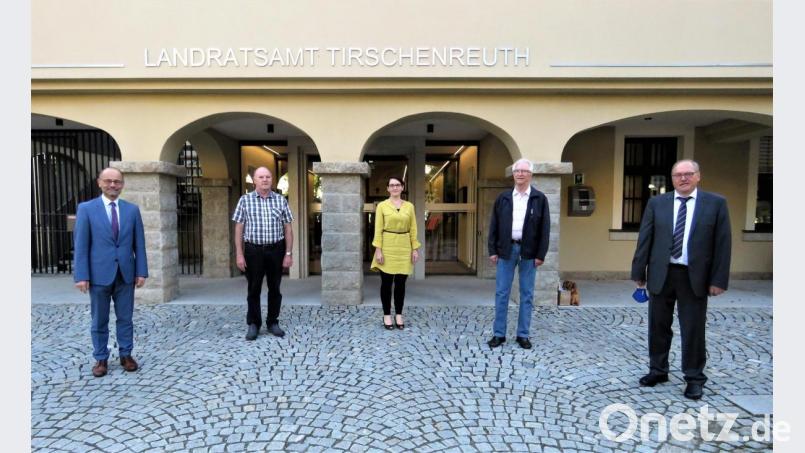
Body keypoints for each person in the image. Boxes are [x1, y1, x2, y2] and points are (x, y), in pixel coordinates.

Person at [631, 159, 731, 400]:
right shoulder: (657, 203)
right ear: (672, 178)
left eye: (688, 174)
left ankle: (694, 378)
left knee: (693, 329)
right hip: (661, 274)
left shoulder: (715, 204)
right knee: (658, 327)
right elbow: (645, 237)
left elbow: (723, 244)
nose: (683, 178)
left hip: (693, 276)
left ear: (698, 176)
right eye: (678, 175)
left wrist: (718, 280)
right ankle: (658, 370)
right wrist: (638, 272)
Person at [73, 167, 148, 378]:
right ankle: (101, 358)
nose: (113, 185)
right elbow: (81, 245)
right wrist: (81, 275)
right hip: (98, 275)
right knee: (99, 319)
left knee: (126, 317)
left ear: (122, 184)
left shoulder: (132, 210)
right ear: (99, 183)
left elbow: (139, 244)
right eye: (108, 181)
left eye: (117, 181)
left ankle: (126, 354)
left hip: (125, 274)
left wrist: (141, 271)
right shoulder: (87, 209)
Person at [487, 158, 550, 349]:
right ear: (513, 174)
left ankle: (523, 335)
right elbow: (494, 226)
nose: (520, 174)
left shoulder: (540, 199)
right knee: (501, 293)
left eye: (524, 171)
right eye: (517, 171)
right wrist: (492, 250)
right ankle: (499, 334)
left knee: (527, 294)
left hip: (529, 252)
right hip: (506, 251)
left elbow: (545, 229)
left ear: (531, 175)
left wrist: (541, 254)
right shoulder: (503, 198)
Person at [233, 167, 294, 341]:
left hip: (276, 249)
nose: (265, 179)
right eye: (261, 177)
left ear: (272, 180)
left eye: (268, 176)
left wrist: (288, 253)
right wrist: (239, 254)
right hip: (253, 250)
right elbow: (239, 228)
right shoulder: (245, 201)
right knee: (254, 288)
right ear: (254, 180)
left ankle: (273, 321)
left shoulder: (281, 201)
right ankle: (254, 323)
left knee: (275, 287)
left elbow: (288, 229)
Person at [370, 176, 421, 330]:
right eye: (391, 185)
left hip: (404, 246)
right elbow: (378, 229)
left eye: (397, 185)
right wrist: (378, 250)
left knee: (400, 284)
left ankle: (399, 314)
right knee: (386, 283)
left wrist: (415, 248)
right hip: (387, 246)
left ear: (402, 187)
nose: (394, 188)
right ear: (388, 188)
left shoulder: (409, 206)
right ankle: (386, 315)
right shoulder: (382, 206)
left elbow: (413, 228)